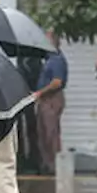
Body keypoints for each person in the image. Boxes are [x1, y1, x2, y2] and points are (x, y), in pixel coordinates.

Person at [34, 38, 68, 175]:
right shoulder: (48, 59)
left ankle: (55, 166)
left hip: (52, 99)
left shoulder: (57, 59)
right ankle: (47, 163)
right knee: (43, 133)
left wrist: (40, 92)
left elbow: (57, 82)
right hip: (45, 99)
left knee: (51, 133)